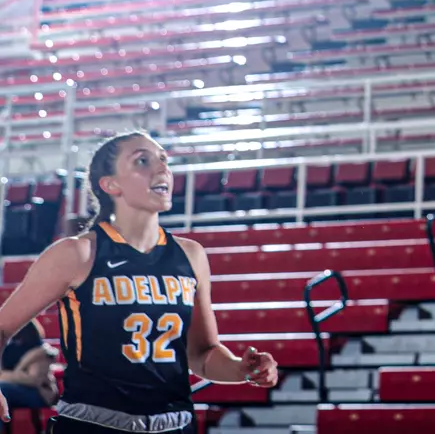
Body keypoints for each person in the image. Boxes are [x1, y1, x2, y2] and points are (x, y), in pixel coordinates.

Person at [0, 131, 279, 431]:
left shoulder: (191, 255)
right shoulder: (77, 252)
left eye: (163, 160)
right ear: (111, 185)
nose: (162, 169)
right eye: (143, 161)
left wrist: (241, 368)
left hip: (176, 423)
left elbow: (202, 354)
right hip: (93, 423)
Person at [0, 316, 59, 413]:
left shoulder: (41, 352)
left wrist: (4, 376)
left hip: (39, 394)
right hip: (14, 389)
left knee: (2, 389)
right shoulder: (9, 349)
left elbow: (33, 379)